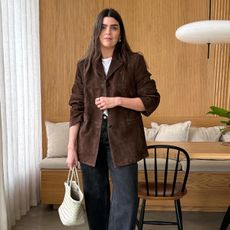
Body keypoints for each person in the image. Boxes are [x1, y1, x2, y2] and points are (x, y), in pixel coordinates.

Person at [66, 8, 160, 230]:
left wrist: (117, 100)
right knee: (95, 199)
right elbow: (76, 107)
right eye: (104, 26)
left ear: (120, 33)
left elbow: (151, 99)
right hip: (90, 141)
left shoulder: (134, 61)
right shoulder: (84, 66)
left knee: (126, 200)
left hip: (125, 140)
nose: (108, 31)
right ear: (97, 31)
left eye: (114, 27)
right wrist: (71, 147)